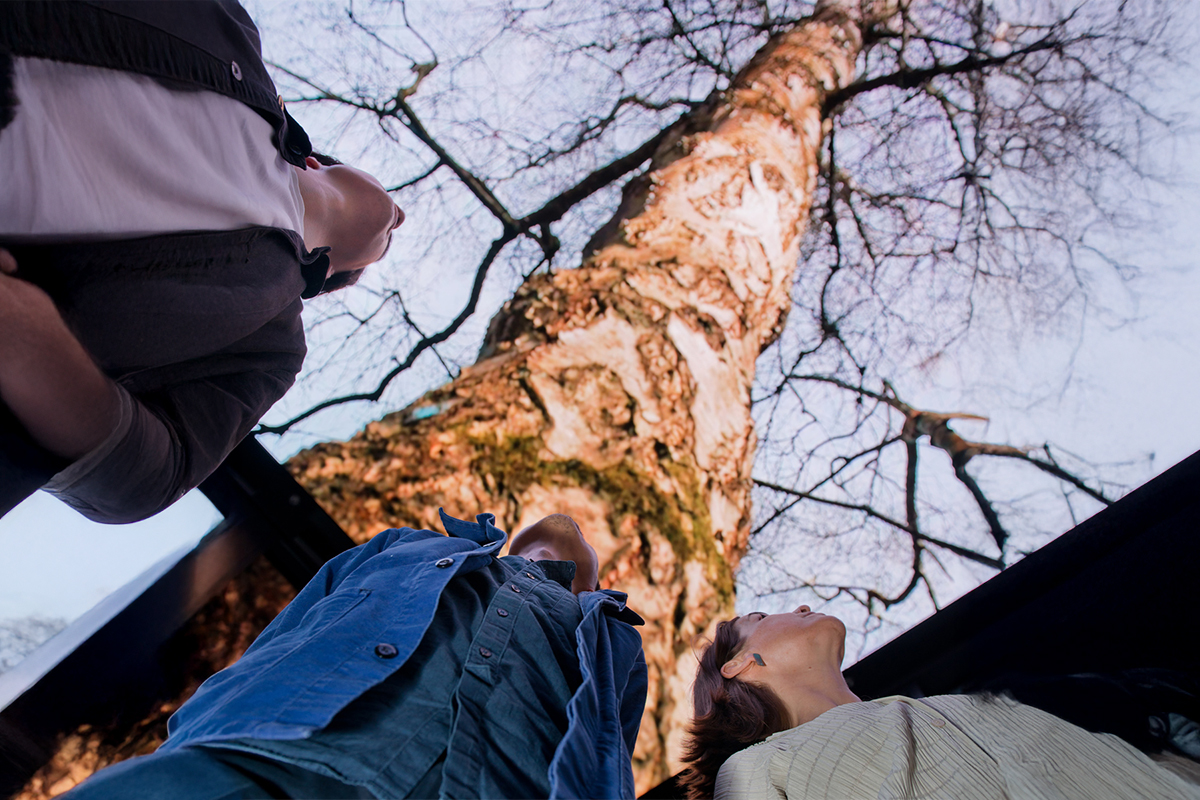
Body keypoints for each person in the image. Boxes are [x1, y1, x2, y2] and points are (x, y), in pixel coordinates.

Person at [0, 0, 404, 523]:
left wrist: (29, 346)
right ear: (311, 160)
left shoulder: (271, 347)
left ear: (327, 272)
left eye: (387, 241)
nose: (402, 219)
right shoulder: (234, 35)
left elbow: (148, 476)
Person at [61, 510, 648, 799]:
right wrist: (199, 733)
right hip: (266, 755)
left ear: (595, 588)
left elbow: (605, 753)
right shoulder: (408, 547)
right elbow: (280, 638)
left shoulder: (613, 639)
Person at [680, 606, 1200, 800]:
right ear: (737, 665)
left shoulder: (986, 708)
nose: (800, 606)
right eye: (759, 616)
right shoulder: (754, 773)